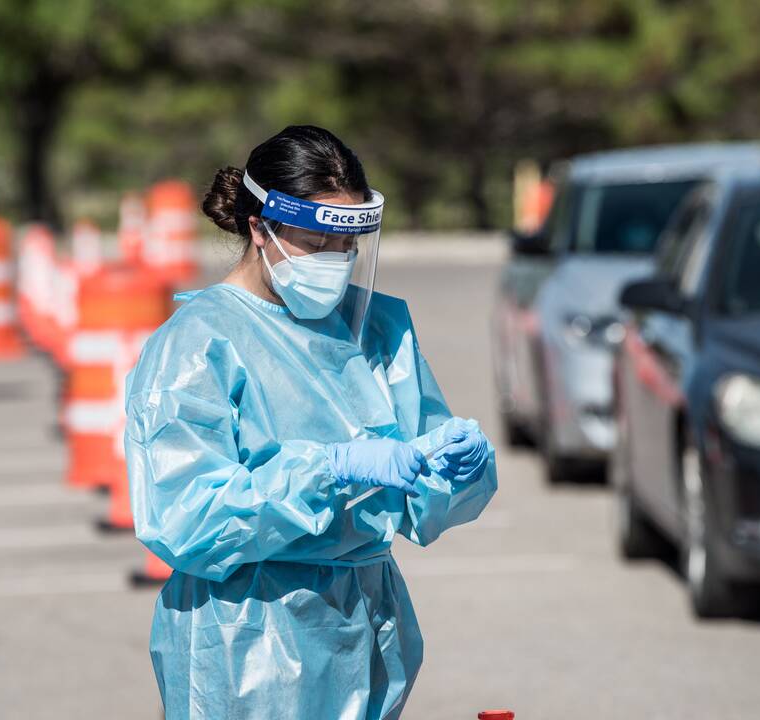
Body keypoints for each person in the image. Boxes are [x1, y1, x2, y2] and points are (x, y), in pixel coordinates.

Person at [124, 125, 498, 720]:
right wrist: (328, 468)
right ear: (259, 227)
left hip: (367, 623)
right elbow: (186, 520)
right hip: (247, 638)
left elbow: (423, 504)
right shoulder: (196, 346)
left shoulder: (375, 326)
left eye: (345, 246)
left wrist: (457, 470)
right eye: (314, 241)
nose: (334, 261)